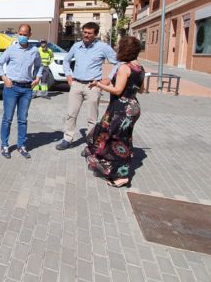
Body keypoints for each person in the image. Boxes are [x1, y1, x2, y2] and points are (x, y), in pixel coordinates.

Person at [82, 36, 145, 188]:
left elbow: (117, 91)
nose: (117, 49)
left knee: (118, 142)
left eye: (119, 47)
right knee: (113, 135)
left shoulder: (125, 68)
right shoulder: (140, 68)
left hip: (122, 109)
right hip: (133, 106)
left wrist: (98, 84)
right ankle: (107, 163)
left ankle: (122, 176)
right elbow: (142, 90)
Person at [57, 22, 117, 151]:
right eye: (84, 32)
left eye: (89, 33)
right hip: (77, 84)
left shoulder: (103, 47)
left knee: (92, 117)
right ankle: (67, 139)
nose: (86, 35)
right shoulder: (76, 46)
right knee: (71, 114)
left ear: (95, 34)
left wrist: (108, 78)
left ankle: (91, 143)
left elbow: (117, 63)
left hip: (93, 85)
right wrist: (68, 75)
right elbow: (66, 60)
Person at [0, 24, 42, 159]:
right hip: (11, 88)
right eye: (20, 34)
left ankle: (21, 145)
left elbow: (39, 65)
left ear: (29, 35)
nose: (22, 36)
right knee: (7, 119)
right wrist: (4, 78)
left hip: (27, 89)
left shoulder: (34, 51)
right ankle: (4, 145)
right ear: (17, 34)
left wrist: (38, 78)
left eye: (25, 34)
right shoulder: (11, 49)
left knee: (22, 119)